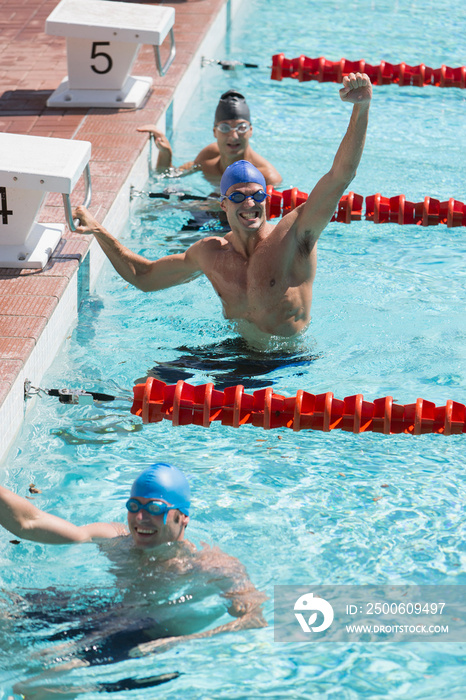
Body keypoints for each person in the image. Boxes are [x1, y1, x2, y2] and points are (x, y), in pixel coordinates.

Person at [74, 72, 372, 349]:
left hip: (287, 363)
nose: (250, 203)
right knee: (148, 385)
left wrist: (360, 110)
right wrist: (99, 231)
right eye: (239, 197)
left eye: (257, 195)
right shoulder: (210, 253)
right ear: (223, 203)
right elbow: (144, 276)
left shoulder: (295, 236)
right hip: (237, 354)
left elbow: (340, 175)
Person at [0, 463, 266, 678]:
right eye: (134, 507)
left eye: (154, 509)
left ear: (182, 516)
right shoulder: (116, 540)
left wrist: (184, 642)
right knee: (7, 609)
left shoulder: (210, 565)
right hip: (105, 612)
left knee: (50, 675)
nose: (140, 519)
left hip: (149, 637)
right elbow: (29, 523)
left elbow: (254, 620)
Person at [137, 88, 282, 186]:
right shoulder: (208, 157)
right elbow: (169, 175)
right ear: (214, 132)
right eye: (225, 128)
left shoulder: (266, 177)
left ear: (251, 131)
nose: (234, 135)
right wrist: (165, 152)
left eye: (241, 128)